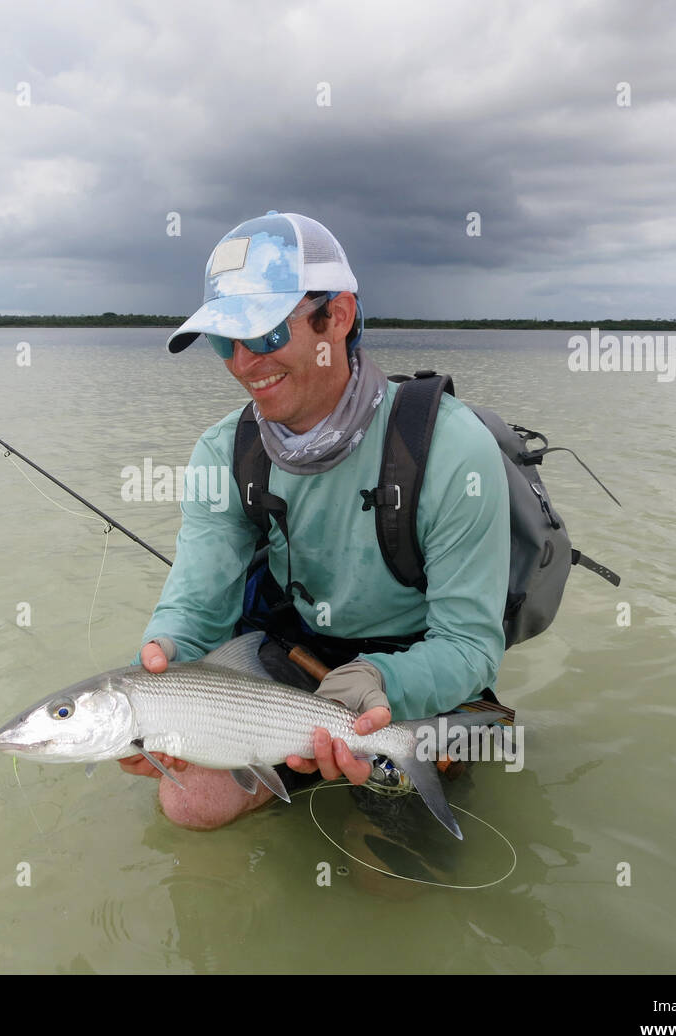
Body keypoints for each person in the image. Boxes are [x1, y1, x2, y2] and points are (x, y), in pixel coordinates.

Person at [118, 211, 510, 829]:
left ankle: (401, 772)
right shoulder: (224, 453)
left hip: (412, 664)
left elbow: (470, 642)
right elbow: (195, 608)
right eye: (224, 339)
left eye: (268, 333)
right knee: (188, 802)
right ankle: (289, 772)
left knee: (388, 886)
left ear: (340, 317)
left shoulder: (453, 449)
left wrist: (384, 680)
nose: (244, 362)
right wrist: (161, 662)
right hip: (297, 651)